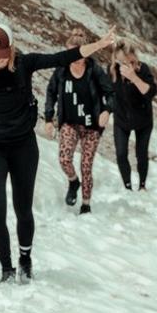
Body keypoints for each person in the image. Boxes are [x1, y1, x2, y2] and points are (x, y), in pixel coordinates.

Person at [0, 23, 116, 281]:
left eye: (2, 55)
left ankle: (25, 258)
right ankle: (6, 269)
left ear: (11, 49)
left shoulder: (26, 64)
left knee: (23, 209)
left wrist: (99, 45)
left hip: (23, 147)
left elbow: (63, 57)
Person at [44, 27, 116, 213]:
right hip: (69, 123)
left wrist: (107, 111)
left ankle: (86, 204)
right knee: (64, 159)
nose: (75, 58)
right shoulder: (61, 70)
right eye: (71, 53)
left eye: (79, 54)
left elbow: (110, 92)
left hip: (92, 127)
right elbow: (51, 92)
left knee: (86, 165)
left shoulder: (94, 70)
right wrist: (48, 118)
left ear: (86, 53)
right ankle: (73, 182)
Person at [110, 44, 157, 191]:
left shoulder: (143, 69)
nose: (126, 65)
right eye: (122, 62)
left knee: (141, 153)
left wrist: (134, 78)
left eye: (130, 61)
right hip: (121, 119)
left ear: (134, 58)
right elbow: (108, 92)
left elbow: (151, 92)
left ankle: (142, 185)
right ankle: (128, 187)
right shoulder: (112, 70)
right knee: (121, 153)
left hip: (143, 120)